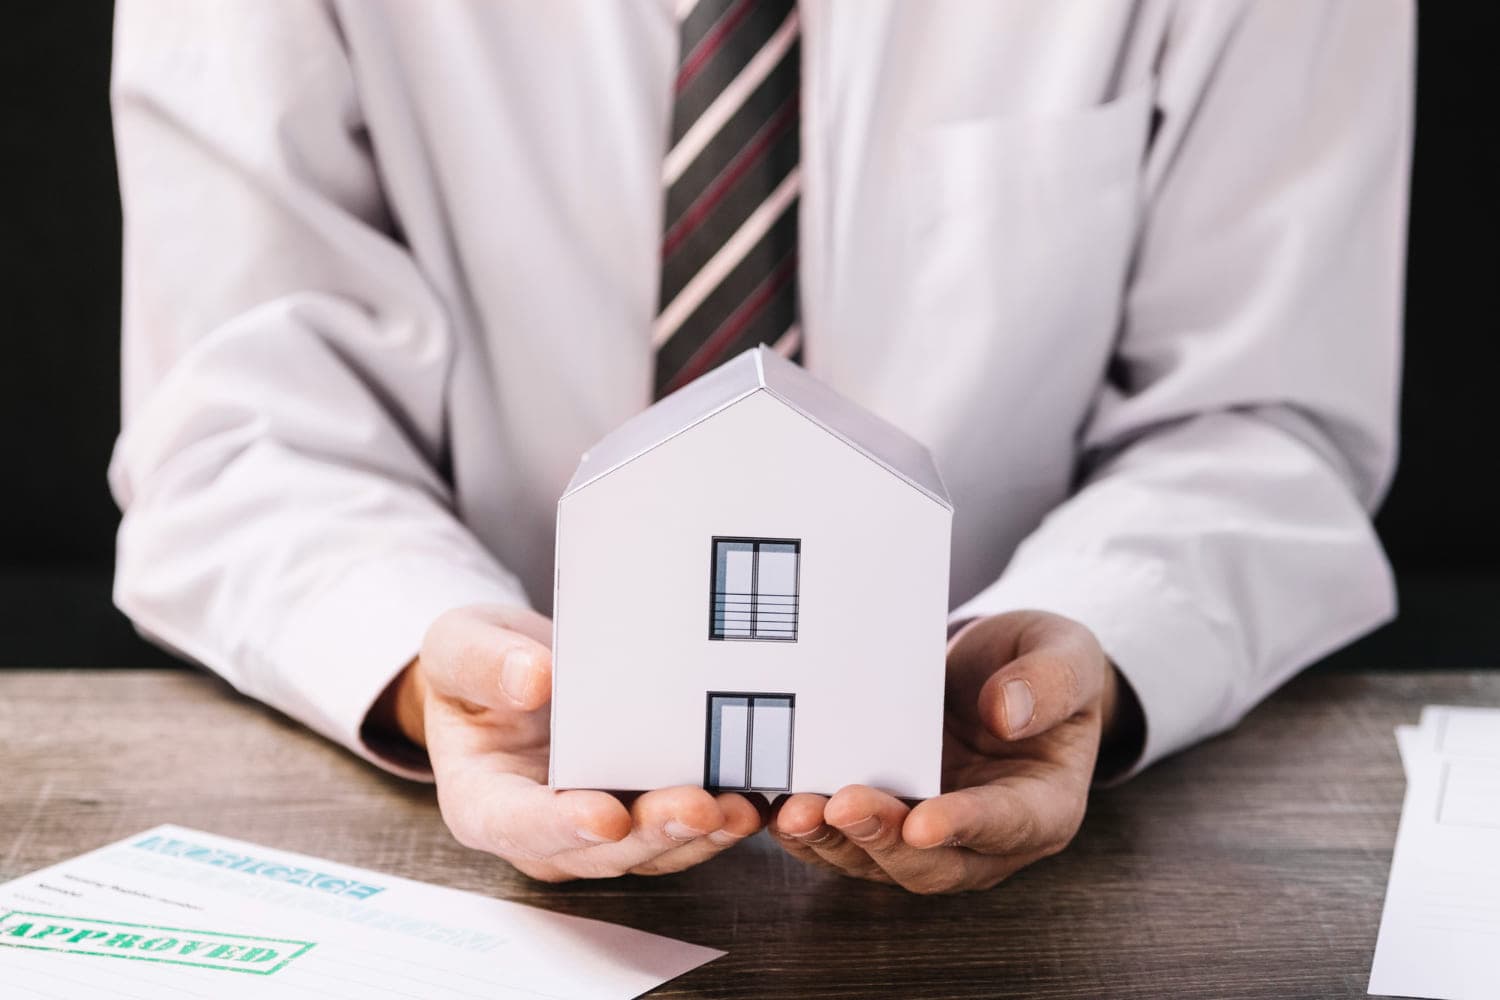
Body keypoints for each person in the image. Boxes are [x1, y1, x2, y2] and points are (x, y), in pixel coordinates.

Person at [109, 1, 1412, 893]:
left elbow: (1262, 413)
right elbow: (238, 418)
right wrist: (436, 656)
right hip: (470, 838)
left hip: (998, 806)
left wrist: (1088, 632)